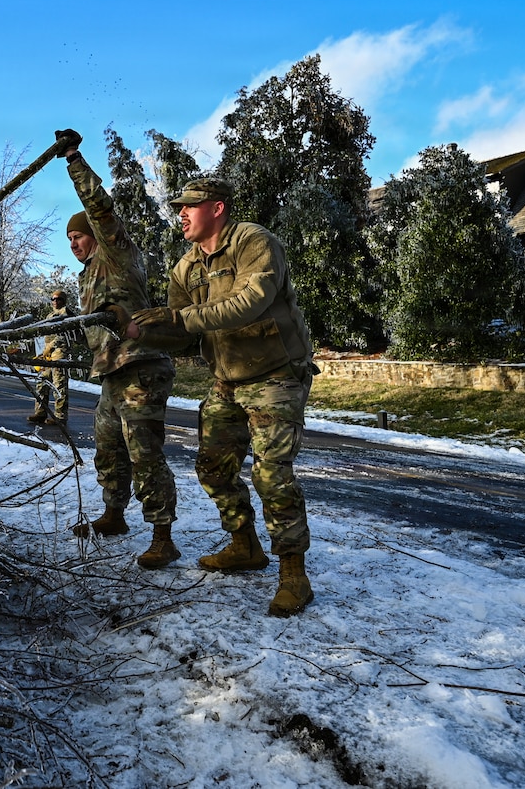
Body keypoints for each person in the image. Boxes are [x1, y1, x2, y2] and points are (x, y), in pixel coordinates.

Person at [126, 177, 317, 616]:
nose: (181, 214)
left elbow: (249, 302)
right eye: (179, 207)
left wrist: (178, 316)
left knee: (271, 475)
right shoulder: (185, 268)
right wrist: (139, 330)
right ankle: (245, 546)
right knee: (213, 468)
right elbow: (181, 335)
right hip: (227, 380)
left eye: (190, 206)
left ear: (218, 208)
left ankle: (294, 576)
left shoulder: (254, 242)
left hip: (276, 375)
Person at [52, 127, 180, 570]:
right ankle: (114, 515)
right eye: (69, 240)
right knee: (108, 446)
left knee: (144, 451)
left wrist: (73, 160)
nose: (75, 244)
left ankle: (163, 535)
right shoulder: (87, 274)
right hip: (111, 373)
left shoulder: (116, 254)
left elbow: (99, 208)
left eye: (79, 237)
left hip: (141, 367)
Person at [26, 289, 76, 426]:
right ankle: (40, 412)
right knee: (41, 382)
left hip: (61, 354)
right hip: (48, 355)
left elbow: (63, 336)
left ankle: (60, 416)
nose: (55, 301)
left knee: (59, 386)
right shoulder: (51, 315)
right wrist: (44, 351)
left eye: (58, 299)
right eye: (53, 299)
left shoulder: (66, 314)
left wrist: (50, 347)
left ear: (63, 300)